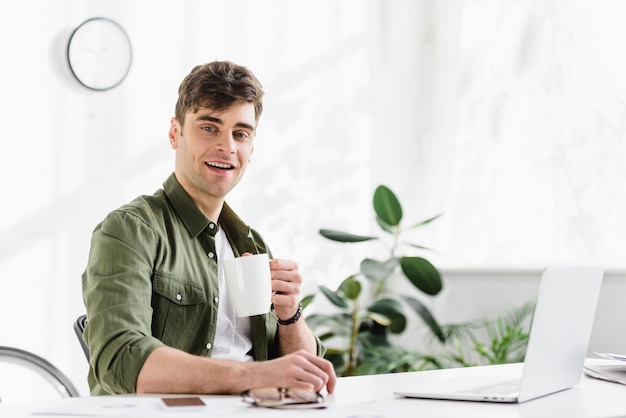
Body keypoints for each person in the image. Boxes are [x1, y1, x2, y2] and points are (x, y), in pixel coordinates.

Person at [81, 61, 336, 396]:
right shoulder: (130, 230)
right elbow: (121, 360)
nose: (227, 146)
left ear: (251, 148)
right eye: (209, 128)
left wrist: (289, 316)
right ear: (176, 133)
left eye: (240, 133)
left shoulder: (251, 245)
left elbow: (303, 372)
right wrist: (252, 377)